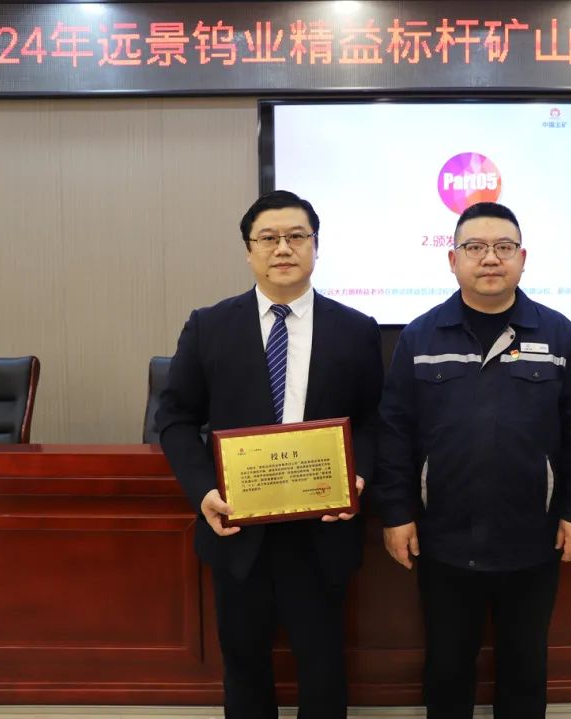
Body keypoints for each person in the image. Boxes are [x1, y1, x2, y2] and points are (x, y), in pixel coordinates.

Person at [156, 190, 382, 719]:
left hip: (321, 528)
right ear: (248, 250)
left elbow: (374, 420)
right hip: (239, 529)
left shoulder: (356, 329)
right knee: (244, 667)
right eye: (269, 238)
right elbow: (175, 418)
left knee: (323, 668)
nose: (283, 248)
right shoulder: (209, 326)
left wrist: (359, 476)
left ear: (316, 246)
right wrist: (204, 491)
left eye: (297, 236)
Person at [375, 202, 571, 719]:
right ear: (452, 260)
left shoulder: (558, 334)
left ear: (522, 258)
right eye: (475, 247)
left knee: (525, 666)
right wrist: (396, 513)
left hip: (533, 537)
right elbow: (394, 433)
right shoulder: (420, 336)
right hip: (443, 539)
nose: (490, 258)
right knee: (447, 668)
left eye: (504, 247)